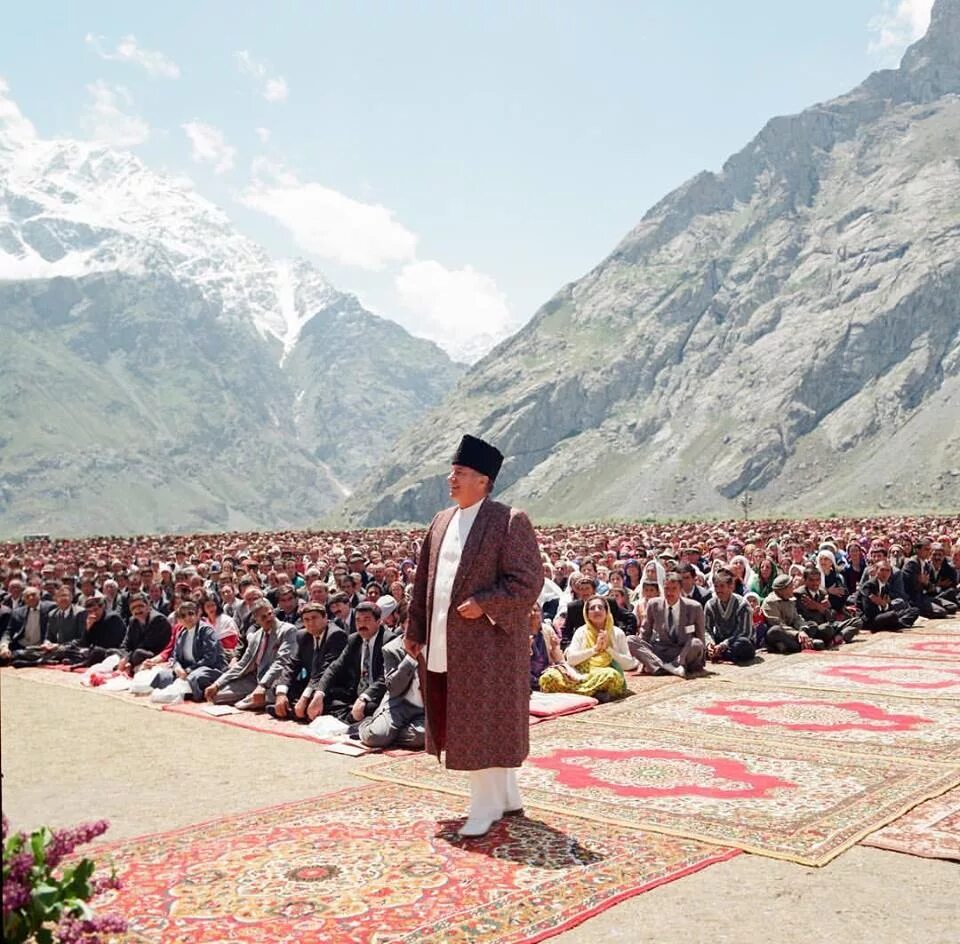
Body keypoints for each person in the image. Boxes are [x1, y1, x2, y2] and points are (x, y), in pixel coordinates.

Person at [406, 434, 542, 838]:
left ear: (483, 480)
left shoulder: (508, 520)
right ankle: (506, 795)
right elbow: (424, 583)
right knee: (471, 718)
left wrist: (485, 603)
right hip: (447, 641)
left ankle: (485, 808)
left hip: (490, 646)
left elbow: (527, 580)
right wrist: (415, 629)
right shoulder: (441, 521)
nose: (451, 479)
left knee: (482, 723)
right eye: (452, 471)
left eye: (460, 473)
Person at [308, 601, 396, 724]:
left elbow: (385, 677)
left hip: (377, 695)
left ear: (378, 621)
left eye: (367, 619)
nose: (361, 624)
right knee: (321, 698)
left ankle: (349, 718)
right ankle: (350, 718)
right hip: (354, 693)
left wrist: (364, 697)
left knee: (369, 708)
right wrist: (319, 693)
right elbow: (335, 667)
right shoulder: (354, 639)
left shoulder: (389, 640)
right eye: (358, 620)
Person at [203, 598, 298, 709]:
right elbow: (242, 664)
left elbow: (281, 662)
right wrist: (217, 684)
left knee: (241, 705)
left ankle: (259, 697)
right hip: (253, 678)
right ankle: (251, 696)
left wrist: (263, 685)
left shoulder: (288, 630)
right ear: (256, 620)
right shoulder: (256, 636)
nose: (269, 618)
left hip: (274, 680)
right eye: (263, 617)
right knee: (216, 696)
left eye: (270, 614)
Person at [539, 595, 635, 699]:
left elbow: (629, 664)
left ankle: (577, 693)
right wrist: (595, 649)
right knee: (548, 677)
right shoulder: (581, 632)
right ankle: (594, 693)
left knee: (612, 676)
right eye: (592, 608)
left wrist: (608, 649)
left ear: (607, 612)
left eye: (600, 607)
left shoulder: (617, 633)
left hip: (602, 673)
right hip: (578, 674)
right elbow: (571, 660)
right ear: (587, 614)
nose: (596, 610)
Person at [269, 602, 347, 721]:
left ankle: (295, 710)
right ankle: (298, 709)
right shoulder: (302, 635)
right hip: (311, 683)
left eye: (314, 618)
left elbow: (324, 671)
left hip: (331, 685)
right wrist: (281, 693)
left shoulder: (336, 635)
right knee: (279, 687)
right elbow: (291, 665)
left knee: (326, 700)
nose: (310, 623)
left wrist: (304, 698)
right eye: (306, 619)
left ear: (325, 617)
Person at [628, 573, 706, 678]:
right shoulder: (654, 604)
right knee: (631, 640)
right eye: (666, 588)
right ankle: (663, 667)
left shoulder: (694, 607)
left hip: (682, 651)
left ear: (681, 589)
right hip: (660, 650)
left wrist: (701, 661)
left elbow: (701, 635)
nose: (669, 592)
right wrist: (643, 660)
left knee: (696, 643)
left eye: (674, 588)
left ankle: (673, 665)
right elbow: (645, 632)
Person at [358, 633, 426, 750]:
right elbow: (394, 688)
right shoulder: (392, 649)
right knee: (375, 737)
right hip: (399, 705)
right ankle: (371, 725)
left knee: (422, 737)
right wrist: (410, 658)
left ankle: (391, 733)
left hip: (425, 709)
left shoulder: (439, 646)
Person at [150, 600, 226, 700]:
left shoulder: (207, 631)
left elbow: (210, 659)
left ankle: (188, 694)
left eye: (190, 613)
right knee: (163, 675)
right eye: (183, 615)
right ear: (179, 619)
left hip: (209, 669)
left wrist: (188, 670)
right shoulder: (182, 634)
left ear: (197, 614)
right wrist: (177, 667)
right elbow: (174, 657)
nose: (187, 618)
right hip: (186, 670)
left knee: (195, 677)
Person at [703, 571, 756, 664]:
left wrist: (724, 644)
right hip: (720, 639)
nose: (718, 590)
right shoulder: (710, 604)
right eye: (716, 586)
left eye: (722, 586)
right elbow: (706, 628)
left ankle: (721, 654)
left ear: (731, 587)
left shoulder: (742, 604)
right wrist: (710, 644)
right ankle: (718, 653)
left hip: (736, 641)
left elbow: (744, 632)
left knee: (742, 644)